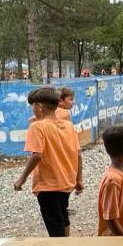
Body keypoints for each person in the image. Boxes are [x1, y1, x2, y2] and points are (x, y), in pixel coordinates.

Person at [14, 87, 83, 237]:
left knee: (55, 228)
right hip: (66, 182)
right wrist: (79, 179)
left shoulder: (37, 127)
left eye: (33, 105)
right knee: (63, 218)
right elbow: (78, 154)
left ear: (39, 106)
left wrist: (21, 179)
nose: (32, 109)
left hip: (48, 185)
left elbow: (36, 155)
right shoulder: (69, 126)